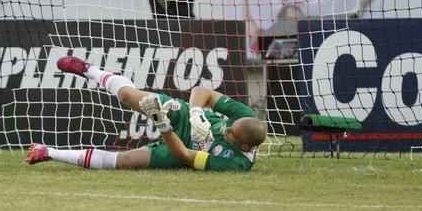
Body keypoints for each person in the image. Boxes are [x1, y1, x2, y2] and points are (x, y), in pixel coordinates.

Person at [25, 56, 266, 171]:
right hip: (182, 116)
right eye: (229, 127)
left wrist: (162, 125)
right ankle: (90, 70)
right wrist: (195, 113)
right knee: (129, 96)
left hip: (179, 148)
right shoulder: (244, 116)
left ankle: (48, 152)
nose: (226, 130)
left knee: (123, 162)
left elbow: (184, 156)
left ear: (244, 146)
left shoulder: (234, 164)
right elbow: (203, 91)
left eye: (230, 135)